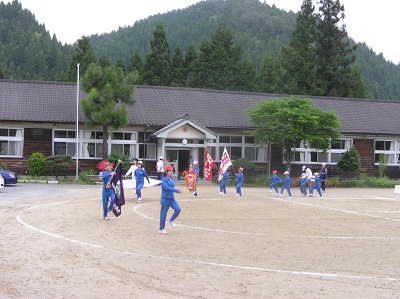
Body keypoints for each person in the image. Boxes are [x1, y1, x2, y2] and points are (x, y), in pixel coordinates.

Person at [159, 165, 183, 235]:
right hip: (165, 199)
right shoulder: (164, 180)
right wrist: (177, 191)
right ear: (166, 172)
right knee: (163, 214)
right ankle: (161, 229)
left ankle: (171, 220)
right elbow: (168, 188)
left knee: (178, 209)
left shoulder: (172, 179)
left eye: (172, 171)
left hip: (172, 199)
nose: (171, 172)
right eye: (170, 171)